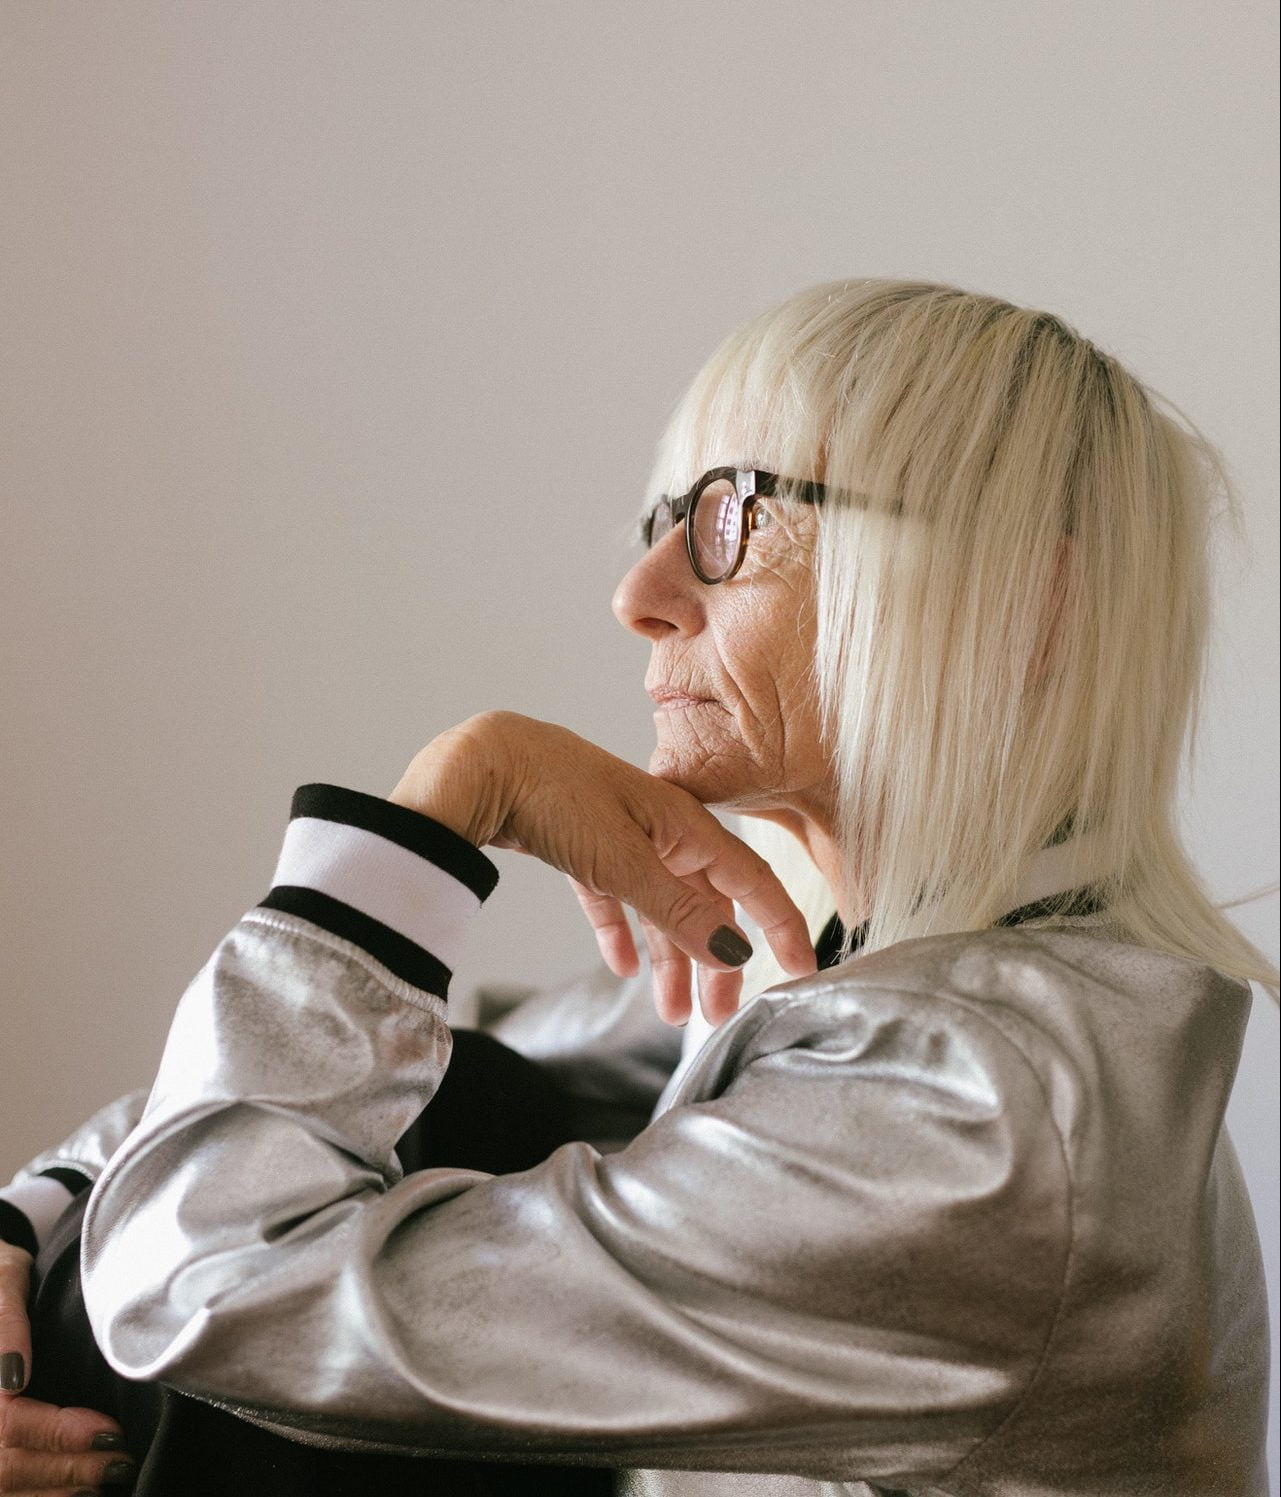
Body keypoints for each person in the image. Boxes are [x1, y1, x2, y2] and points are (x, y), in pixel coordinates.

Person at [2, 277, 1276, 1496]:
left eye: (734, 518)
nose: (639, 597)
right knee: (461, 1097)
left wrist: (444, 807)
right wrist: (30, 1216)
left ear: (1024, 604)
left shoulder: (978, 1112)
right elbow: (409, 1066)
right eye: (662, 522)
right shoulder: (851, 960)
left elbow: (210, 1285)